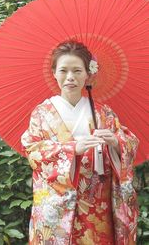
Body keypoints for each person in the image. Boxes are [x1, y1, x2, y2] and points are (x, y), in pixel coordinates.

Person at [21, 40, 138, 244]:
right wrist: (72, 148)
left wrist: (116, 142)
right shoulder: (42, 114)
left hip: (97, 203)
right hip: (56, 204)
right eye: (63, 70)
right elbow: (33, 150)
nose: (70, 77)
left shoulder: (103, 113)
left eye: (77, 71)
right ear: (54, 73)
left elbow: (130, 143)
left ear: (88, 74)